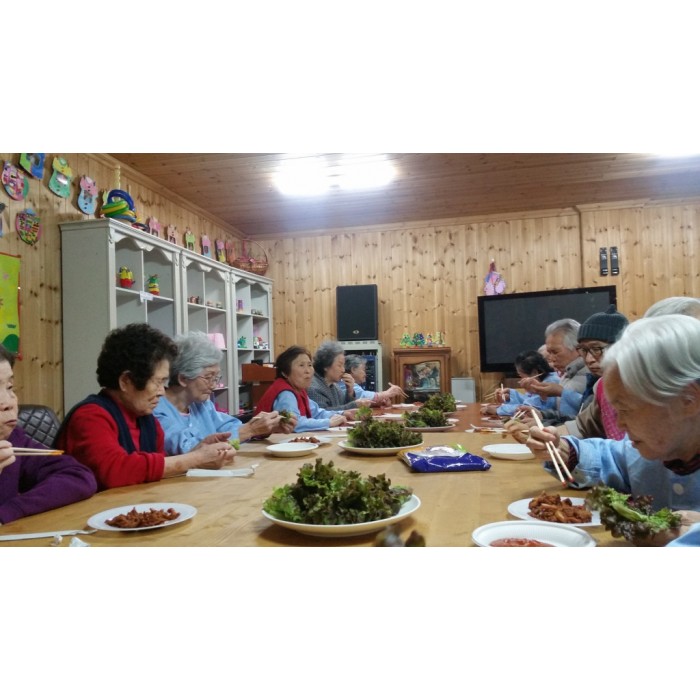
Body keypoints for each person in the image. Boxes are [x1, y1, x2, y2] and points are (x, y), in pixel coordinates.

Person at [526, 314, 700, 545]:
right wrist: (564, 449)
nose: (619, 424)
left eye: (626, 410)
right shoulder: (656, 452)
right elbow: (616, 456)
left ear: (688, 400)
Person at [55, 323, 235, 491]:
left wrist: (197, 451)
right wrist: (195, 459)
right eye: (157, 382)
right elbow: (115, 471)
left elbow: (160, 467)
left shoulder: (146, 419)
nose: (162, 392)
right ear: (126, 381)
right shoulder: (90, 416)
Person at [153, 331, 295, 456]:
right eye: (208, 377)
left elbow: (229, 427)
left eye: (216, 377)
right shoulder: (157, 409)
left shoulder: (201, 405)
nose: (214, 385)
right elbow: (187, 447)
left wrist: (265, 428)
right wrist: (249, 430)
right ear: (183, 378)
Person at [0, 344, 97, 525]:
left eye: (9, 387)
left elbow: (79, 476)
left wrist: (11, 510)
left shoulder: (12, 439)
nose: (8, 402)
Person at [254, 345, 356, 431]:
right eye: (301, 365)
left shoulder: (298, 389)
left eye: (310, 365)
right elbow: (294, 423)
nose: (308, 371)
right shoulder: (286, 393)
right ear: (285, 373)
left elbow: (316, 411)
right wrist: (328, 422)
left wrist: (343, 413)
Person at [484, 350, 559, 417]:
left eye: (521, 376)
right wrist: (511, 395)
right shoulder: (543, 379)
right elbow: (528, 400)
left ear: (534, 373)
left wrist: (498, 410)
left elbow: (529, 408)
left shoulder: (550, 382)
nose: (520, 379)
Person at [308, 340, 369, 410]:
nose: (343, 370)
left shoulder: (335, 386)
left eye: (343, 365)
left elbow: (345, 408)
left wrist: (350, 391)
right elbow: (323, 413)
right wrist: (354, 404)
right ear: (326, 365)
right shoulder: (314, 388)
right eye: (339, 365)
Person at [338, 355, 406, 407]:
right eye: (363, 369)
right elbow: (363, 395)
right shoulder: (343, 382)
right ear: (353, 369)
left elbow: (360, 402)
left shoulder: (354, 384)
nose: (365, 374)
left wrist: (379, 402)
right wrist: (387, 393)